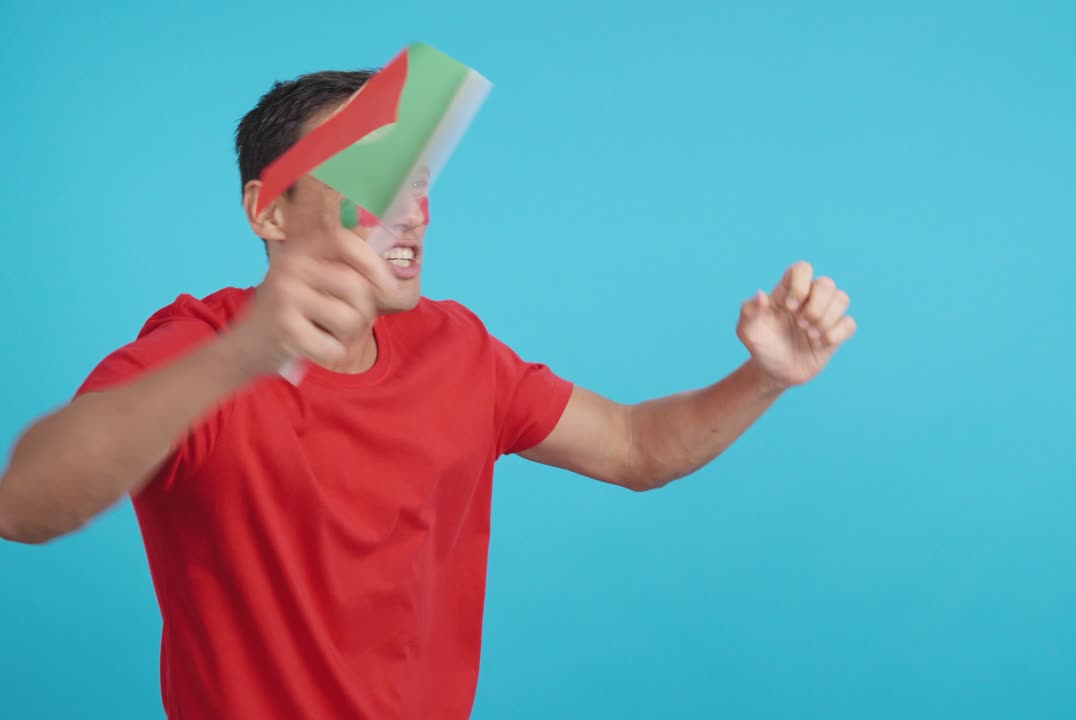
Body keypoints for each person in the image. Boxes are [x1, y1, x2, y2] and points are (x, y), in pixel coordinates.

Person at [0, 69, 857, 719]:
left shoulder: (458, 350)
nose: (411, 212)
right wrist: (243, 355)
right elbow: (25, 505)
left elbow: (636, 447)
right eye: (372, 180)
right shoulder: (194, 350)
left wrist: (766, 377)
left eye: (419, 181)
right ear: (268, 213)